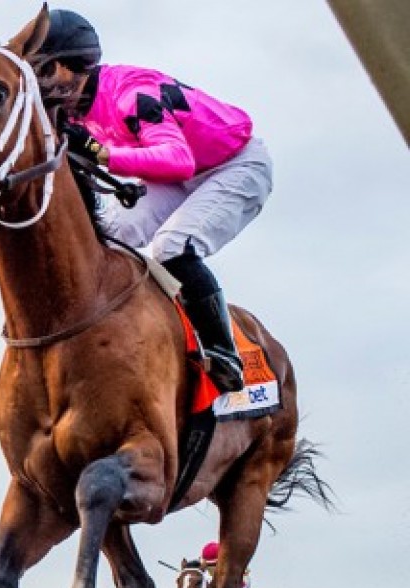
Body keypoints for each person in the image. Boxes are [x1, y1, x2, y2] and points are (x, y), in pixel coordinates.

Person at [28, 9, 273, 393]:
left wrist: (103, 154)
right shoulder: (73, 112)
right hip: (177, 179)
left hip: (233, 166)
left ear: (72, 65)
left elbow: (179, 158)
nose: (41, 84)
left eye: (45, 70)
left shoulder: (131, 93)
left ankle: (224, 353)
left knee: (173, 246)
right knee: (109, 236)